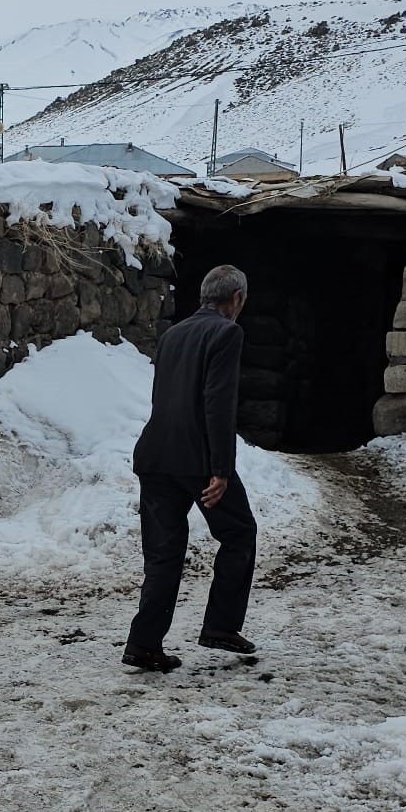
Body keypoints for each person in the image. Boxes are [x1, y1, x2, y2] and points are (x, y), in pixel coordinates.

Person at [123, 264, 259, 673]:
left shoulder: (172, 334)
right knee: (239, 532)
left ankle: (143, 644)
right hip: (198, 460)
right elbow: (218, 403)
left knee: (163, 555)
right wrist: (221, 468)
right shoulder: (227, 332)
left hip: (156, 454)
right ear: (236, 298)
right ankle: (220, 625)